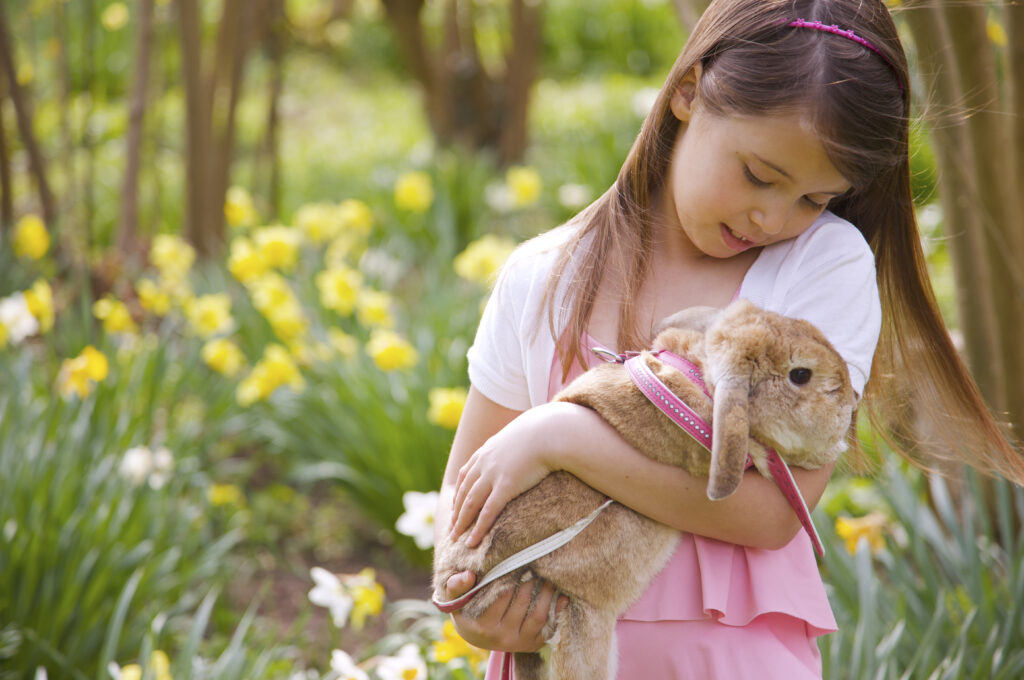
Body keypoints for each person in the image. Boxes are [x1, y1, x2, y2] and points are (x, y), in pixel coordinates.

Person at [432, 0, 1024, 677]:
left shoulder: (818, 267)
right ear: (689, 91)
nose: (772, 217)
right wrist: (476, 609)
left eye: (813, 199)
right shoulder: (544, 277)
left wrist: (558, 438)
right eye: (759, 175)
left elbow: (773, 512)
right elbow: (467, 498)